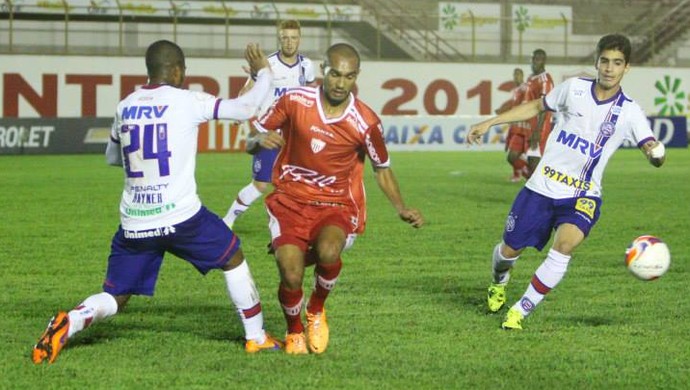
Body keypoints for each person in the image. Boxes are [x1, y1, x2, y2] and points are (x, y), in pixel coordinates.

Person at [32, 40, 283, 364]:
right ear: (177, 71)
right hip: (181, 218)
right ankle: (257, 337)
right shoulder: (187, 101)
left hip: (135, 221)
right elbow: (246, 108)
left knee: (116, 296)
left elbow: (112, 157)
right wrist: (264, 72)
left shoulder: (125, 105)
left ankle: (73, 319)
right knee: (232, 255)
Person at [467, 33, 666, 330]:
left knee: (564, 246)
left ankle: (521, 310)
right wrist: (490, 122)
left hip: (582, 195)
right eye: (605, 61)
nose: (609, 68)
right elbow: (536, 107)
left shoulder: (630, 112)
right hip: (541, 188)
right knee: (509, 251)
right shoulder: (573, 89)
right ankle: (499, 280)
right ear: (596, 62)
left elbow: (651, 147)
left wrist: (654, 154)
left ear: (627, 68)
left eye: (617, 63)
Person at [249, 43, 424, 354]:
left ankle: (316, 309)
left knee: (329, 251)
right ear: (323, 71)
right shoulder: (294, 100)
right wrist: (259, 140)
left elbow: (382, 169)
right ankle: (294, 331)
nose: (340, 83)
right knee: (290, 271)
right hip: (290, 199)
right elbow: (253, 138)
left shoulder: (366, 122)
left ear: (356, 76)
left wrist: (401, 207)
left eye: (348, 76)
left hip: (335, 202)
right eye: (334, 74)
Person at [223, 19, 316, 228]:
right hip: (269, 132)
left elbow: (311, 94)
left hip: (295, 135)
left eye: (293, 38)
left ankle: (284, 223)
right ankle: (227, 220)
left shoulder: (307, 66)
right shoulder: (267, 64)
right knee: (261, 183)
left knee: (295, 183)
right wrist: (239, 111)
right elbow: (248, 89)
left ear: (299, 39)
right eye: (285, 38)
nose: (289, 42)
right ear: (279, 38)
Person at [495, 67, 530, 182]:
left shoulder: (526, 88)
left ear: (522, 76)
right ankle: (520, 174)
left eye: (518, 75)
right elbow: (514, 106)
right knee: (513, 155)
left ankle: (528, 174)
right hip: (516, 126)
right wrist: (502, 110)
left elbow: (526, 106)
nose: (516, 77)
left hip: (526, 127)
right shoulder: (516, 90)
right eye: (515, 75)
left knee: (517, 155)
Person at [524, 49, 554, 176]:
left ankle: (539, 191)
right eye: (532, 59)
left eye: (536, 59)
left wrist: (537, 130)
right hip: (531, 123)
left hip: (541, 124)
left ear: (543, 61)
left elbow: (544, 106)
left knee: (534, 160)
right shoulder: (531, 78)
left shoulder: (545, 80)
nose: (533, 62)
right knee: (530, 160)